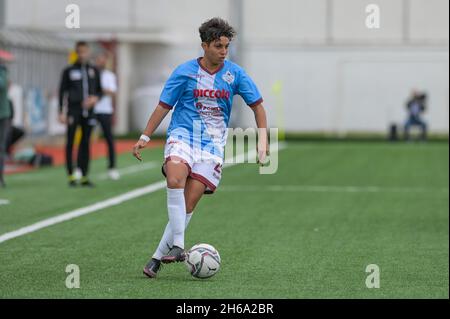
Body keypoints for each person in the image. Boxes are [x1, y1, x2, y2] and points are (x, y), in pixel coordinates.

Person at [132, 17, 269, 278]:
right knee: (175, 177)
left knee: (189, 200)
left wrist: (263, 141)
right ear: (204, 45)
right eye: (218, 46)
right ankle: (180, 246)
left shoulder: (234, 74)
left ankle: (156, 258)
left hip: (212, 146)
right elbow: (163, 106)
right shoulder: (184, 72)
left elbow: (258, 107)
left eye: (226, 46)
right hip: (182, 136)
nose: (224, 51)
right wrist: (145, 136)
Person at [58, 41, 102, 187]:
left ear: (88, 52)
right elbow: (61, 91)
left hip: (89, 112)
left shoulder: (94, 70)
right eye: (80, 52)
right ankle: (71, 175)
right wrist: (61, 111)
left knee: (85, 143)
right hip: (73, 111)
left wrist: (95, 98)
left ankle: (84, 175)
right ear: (76, 53)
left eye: (85, 51)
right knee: (70, 142)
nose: (82, 54)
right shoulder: (69, 70)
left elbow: (99, 90)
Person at [94, 52, 120, 180]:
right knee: (85, 139)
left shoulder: (110, 75)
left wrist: (100, 90)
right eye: (99, 59)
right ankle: (81, 169)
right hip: (92, 111)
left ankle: (112, 167)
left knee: (109, 139)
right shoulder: (92, 74)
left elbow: (112, 92)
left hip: (105, 111)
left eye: (103, 60)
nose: (101, 62)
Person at [0, 49, 14, 188]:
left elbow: (2, 85)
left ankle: (0, 177)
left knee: (1, 147)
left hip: (2, 114)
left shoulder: (2, 70)